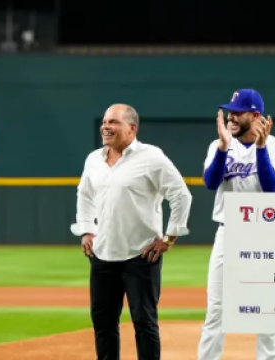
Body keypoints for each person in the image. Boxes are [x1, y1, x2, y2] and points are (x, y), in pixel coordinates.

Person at [71, 104, 192, 360]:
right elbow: (84, 194)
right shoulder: (94, 159)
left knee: (144, 323)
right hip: (102, 256)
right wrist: (86, 230)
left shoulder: (152, 157)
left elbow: (181, 195)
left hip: (141, 256)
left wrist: (170, 238)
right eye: (105, 121)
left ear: (132, 128)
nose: (106, 126)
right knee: (103, 324)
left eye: (114, 122)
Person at [196, 89, 275, 360]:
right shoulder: (220, 145)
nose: (231, 116)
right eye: (230, 111)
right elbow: (210, 182)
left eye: (238, 112)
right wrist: (223, 147)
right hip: (228, 232)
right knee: (215, 310)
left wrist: (261, 149)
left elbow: (273, 188)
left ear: (256, 115)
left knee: (265, 313)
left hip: (266, 234)